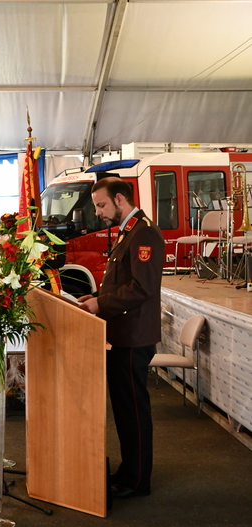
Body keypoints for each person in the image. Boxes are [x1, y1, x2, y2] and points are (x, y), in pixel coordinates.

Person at [79, 177, 165, 499]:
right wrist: (91, 297)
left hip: (133, 338)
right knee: (125, 410)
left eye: (101, 205)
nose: (99, 212)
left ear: (119, 199)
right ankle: (130, 470)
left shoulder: (143, 234)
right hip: (121, 335)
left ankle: (137, 480)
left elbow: (142, 288)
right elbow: (120, 284)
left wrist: (100, 304)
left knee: (133, 411)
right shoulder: (129, 232)